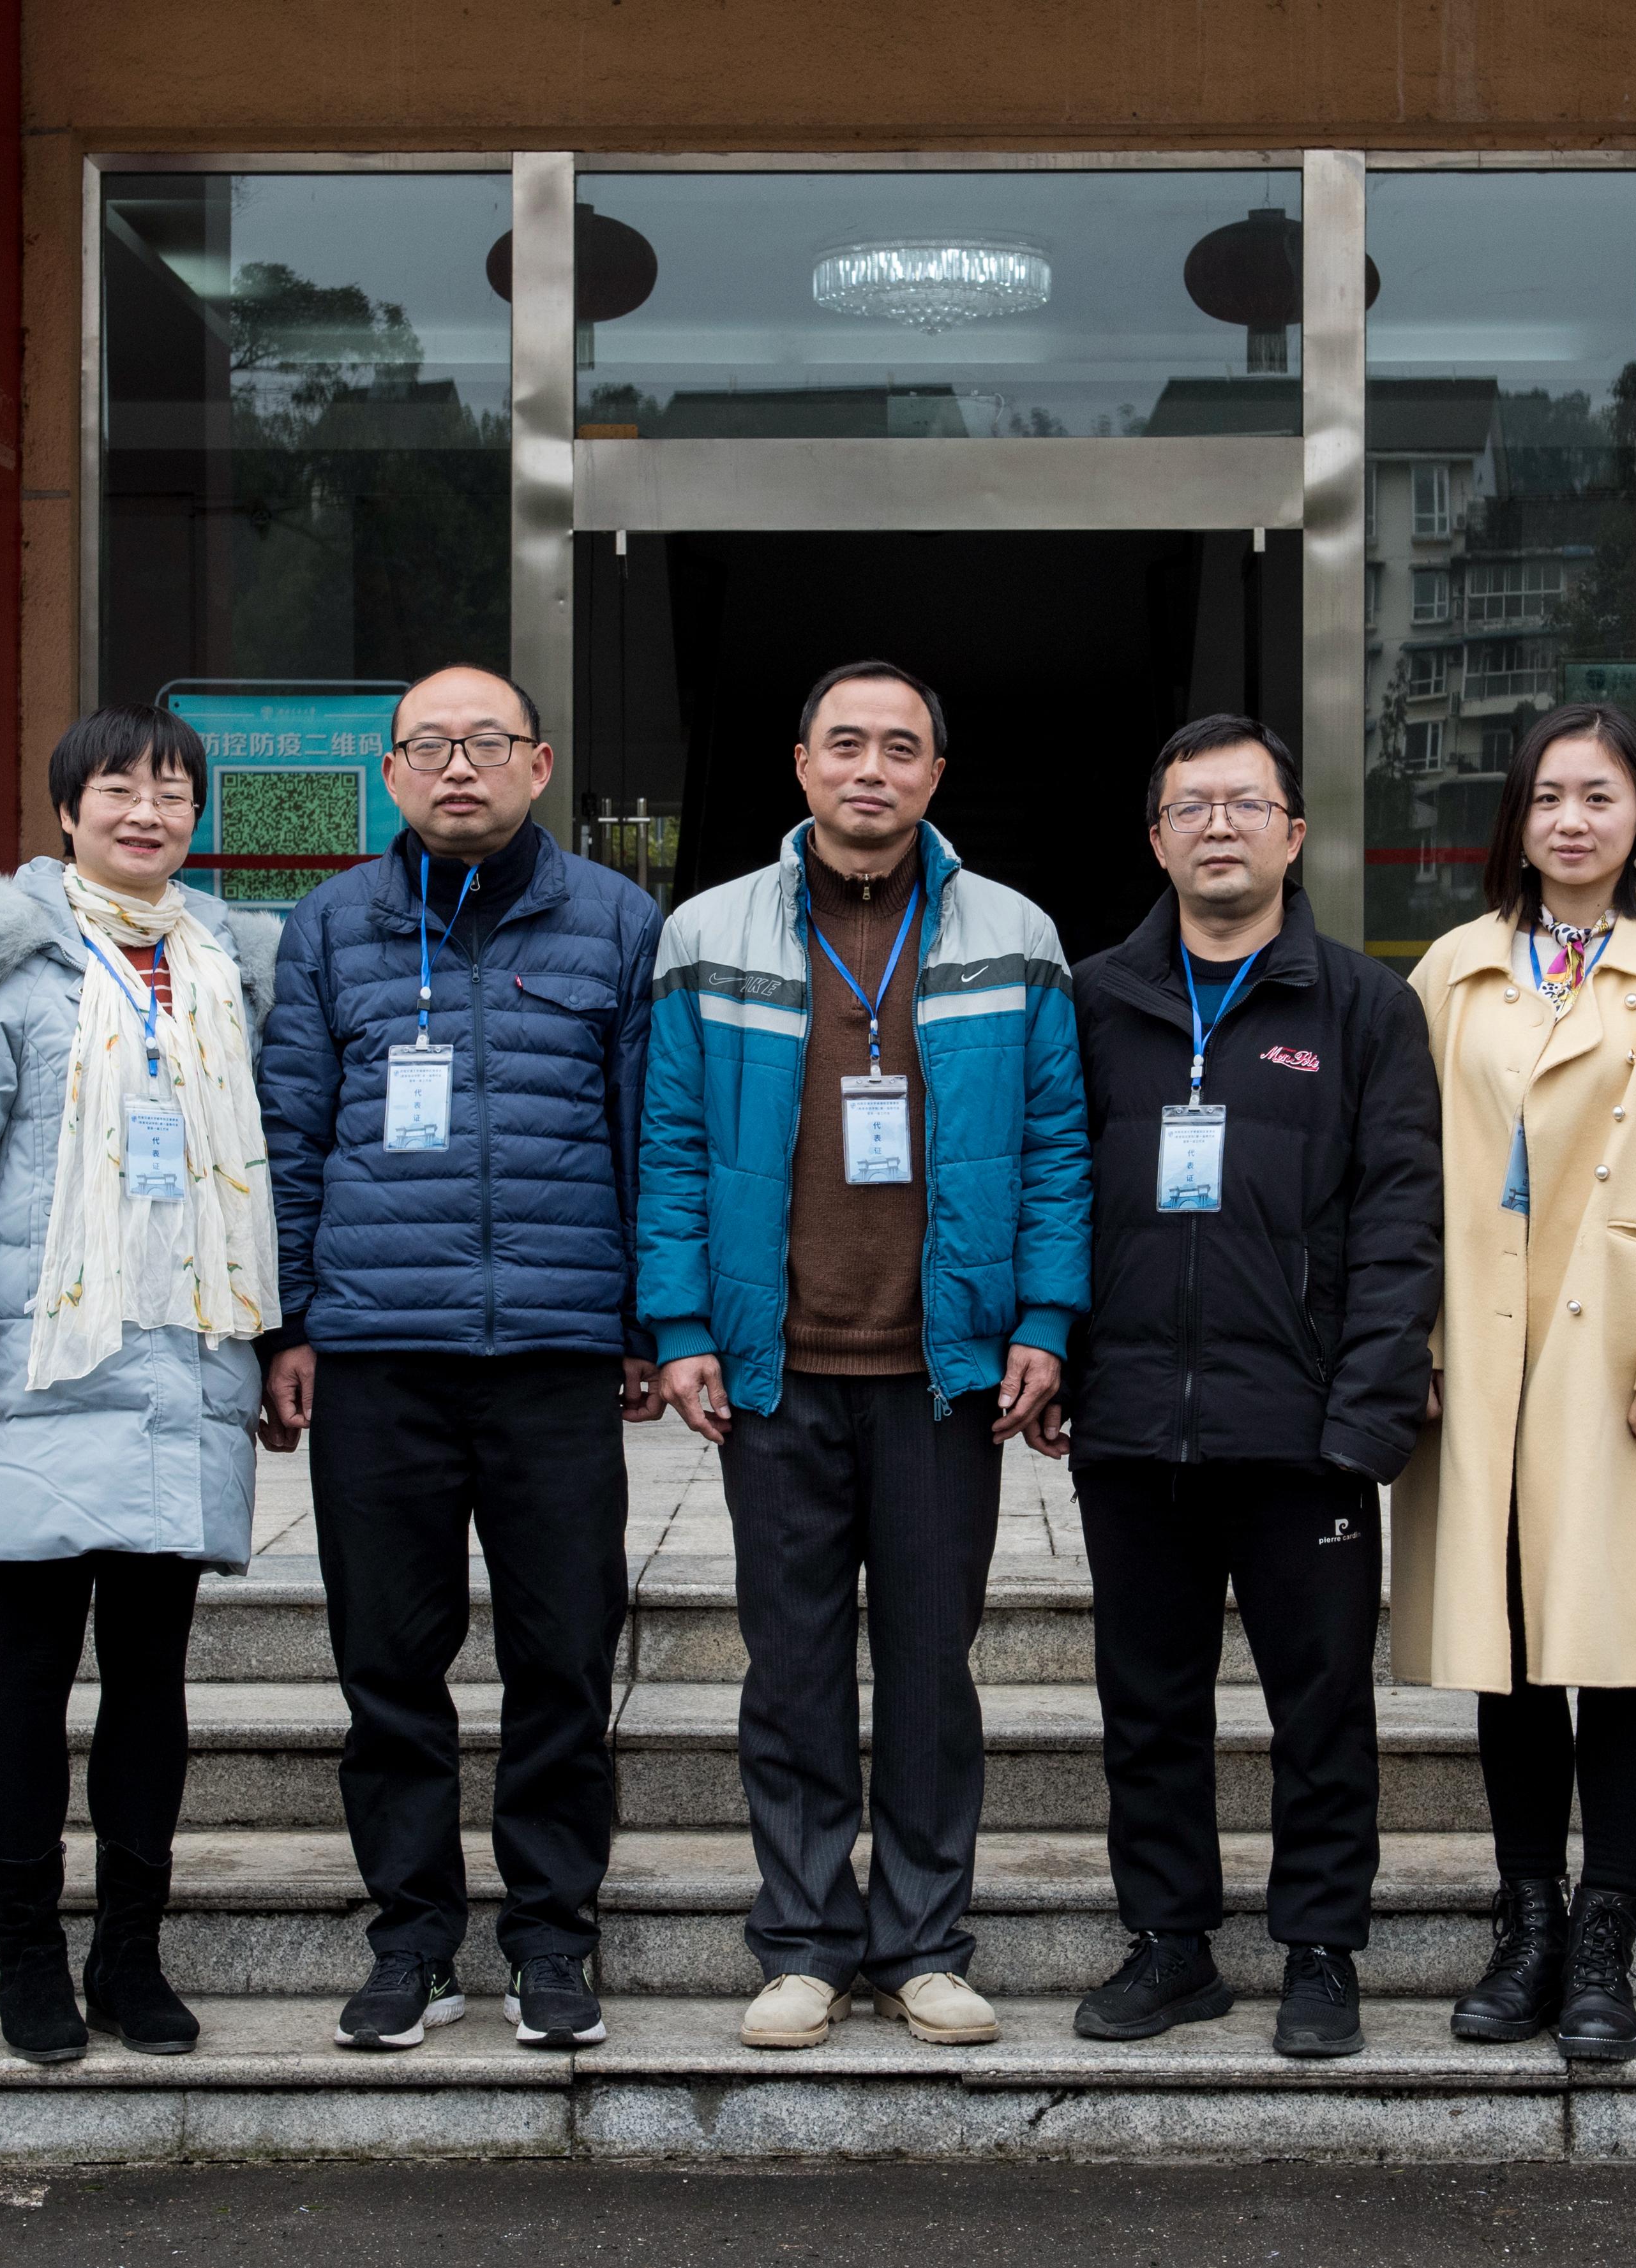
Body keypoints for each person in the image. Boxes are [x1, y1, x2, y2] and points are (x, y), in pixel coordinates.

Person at [640, 659, 1092, 2054]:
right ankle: (801, 1945)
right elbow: (669, 1144)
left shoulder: (1014, 931)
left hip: (943, 1371)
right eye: (846, 744)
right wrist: (680, 1326)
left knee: (930, 1669)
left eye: (901, 748)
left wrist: (1045, 1318)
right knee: (790, 1667)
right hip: (773, 1366)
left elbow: (1057, 1146)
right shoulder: (708, 932)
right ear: (801, 765)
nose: (872, 770)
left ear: (935, 775)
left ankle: (922, 1944)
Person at [256, 666, 664, 2054]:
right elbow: (290, 1130)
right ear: (390, 773)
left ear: (538, 765)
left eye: (486, 742)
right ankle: (414, 1940)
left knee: (563, 1660)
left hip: (553, 1353)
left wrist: (644, 1323)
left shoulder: (615, 921)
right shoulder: (332, 924)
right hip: (380, 1354)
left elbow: (646, 1132)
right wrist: (288, 1321)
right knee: (388, 1665)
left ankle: (552, 1938)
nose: (457, 768)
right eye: (427, 746)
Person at [0, 706, 287, 2063]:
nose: (146, 812)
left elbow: (268, 1163)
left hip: (187, 1353)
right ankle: (29, 1955)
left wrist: (277, 1338)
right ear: (66, 813)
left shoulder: (231, 964)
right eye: (117, 788)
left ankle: (130, 1953)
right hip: (39, 1362)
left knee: (154, 1673)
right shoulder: (1, 965)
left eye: (172, 791)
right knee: (33, 1662)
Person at [1060, 717, 1439, 2061]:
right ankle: (1171, 1944)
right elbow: (1053, 1189)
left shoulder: (1366, 1007)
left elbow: (1402, 1221)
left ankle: (1321, 1950)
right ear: (1155, 839)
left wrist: (1367, 1418)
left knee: (1321, 1707)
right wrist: (1060, 1356)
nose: (1218, 827)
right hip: (1132, 1425)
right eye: (1191, 807)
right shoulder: (1092, 1001)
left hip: (1303, 1432)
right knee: (1146, 1708)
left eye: (1245, 805)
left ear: (1293, 834)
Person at [1391, 698, 1636, 2064]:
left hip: (1621, 1348)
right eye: (1549, 796)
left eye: (1599, 795)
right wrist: (1409, 1344)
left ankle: (1607, 1932)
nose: (1572, 819)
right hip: (1482, 1340)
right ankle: (1528, 1924)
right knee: (1509, 1653)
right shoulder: (1456, 968)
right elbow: (1401, 1171)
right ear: (1516, 818)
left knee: (1615, 1648)